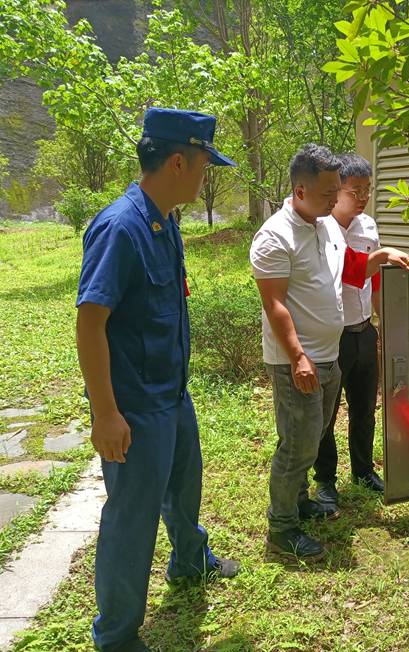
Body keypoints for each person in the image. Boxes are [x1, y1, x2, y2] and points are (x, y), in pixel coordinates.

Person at [76, 108, 240, 652]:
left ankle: (190, 562)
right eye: (203, 165)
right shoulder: (121, 227)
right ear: (178, 161)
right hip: (136, 405)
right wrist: (105, 414)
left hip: (172, 392)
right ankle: (117, 636)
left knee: (184, 486)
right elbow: (90, 323)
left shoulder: (164, 218)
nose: (204, 176)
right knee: (132, 519)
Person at [250, 144, 409, 561]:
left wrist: (381, 257)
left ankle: (300, 501)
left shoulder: (323, 227)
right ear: (300, 190)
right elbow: (275, 304)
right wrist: (298, 357)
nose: (335, 198)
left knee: (315, 434)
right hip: (299, 361)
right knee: (298, 444)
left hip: (330, 355)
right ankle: (281, 529)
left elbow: (351, 271)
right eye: (328, 192)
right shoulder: (274, 236)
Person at [314, 153, 384, 510]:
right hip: (332, 336)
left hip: (363, 330)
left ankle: (362, 471)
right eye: (355, 190)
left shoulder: (368, 226)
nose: (362, 197)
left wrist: (381, 321)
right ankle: (325, 480)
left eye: (367, 190)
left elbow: (374, 279)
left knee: (364, 408)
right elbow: (347, 271)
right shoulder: (321, 229)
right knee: (326, 413)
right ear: (336, 190)